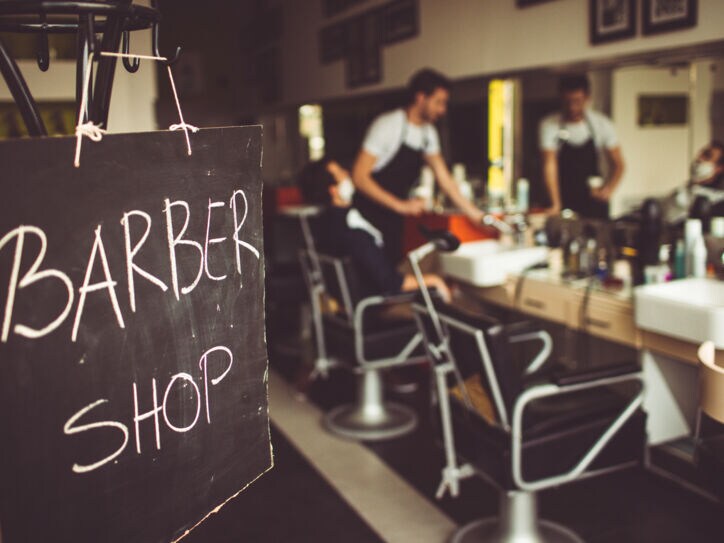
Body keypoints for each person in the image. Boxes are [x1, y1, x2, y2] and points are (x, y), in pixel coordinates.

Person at [351, 68, 484, 263]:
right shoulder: (388, 125)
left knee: (393, 270)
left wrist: (475, 214)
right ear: (421, 97)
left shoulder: (427, 133)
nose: (442, 110)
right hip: (367, 215)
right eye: (438, 102)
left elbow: (444, 178)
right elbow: (359, 177)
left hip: (393, 219)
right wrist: (401, 206)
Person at [297, 157, 451, 302]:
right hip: (380, 303)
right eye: (341, 173)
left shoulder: (326, 224)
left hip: (368, 289)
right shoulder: (352, 232)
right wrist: (434, 281)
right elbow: (393, 283)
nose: (347, 174)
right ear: (333, 190)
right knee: (442, 272)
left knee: (437, 254)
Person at [539, 74, 625, 219]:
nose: (572, 107)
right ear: (561, 98)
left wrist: (608, 189)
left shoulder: (602, 124)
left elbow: (619, 164)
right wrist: (556, 204)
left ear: (587, 98)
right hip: (562, 197)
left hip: (593, 201)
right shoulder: (549, 125)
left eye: (577, 101)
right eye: (568, 101)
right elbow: (549, 165)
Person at [660, 141, 724, 225]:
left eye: (707, 156)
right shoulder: (678, 192)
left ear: (719, 168)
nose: (699, 159)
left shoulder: (719, 202)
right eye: (701, 154)